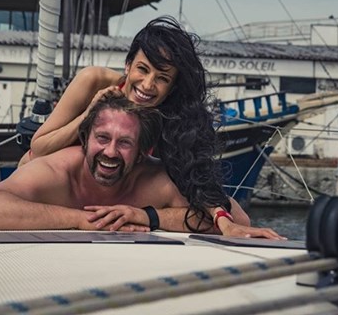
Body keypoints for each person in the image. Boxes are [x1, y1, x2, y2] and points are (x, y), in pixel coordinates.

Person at [18, 17, 238, 231]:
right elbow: (38, 148)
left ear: (172, 88)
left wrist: (221, 218)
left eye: (162, 78)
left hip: (111, 201)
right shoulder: (93, 80)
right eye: (143, 69)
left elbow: (194, 174)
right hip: (52, 186)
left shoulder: (170, 118)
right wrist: (90, 111)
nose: (148, 85)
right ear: (128, 65)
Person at [0, 97, 282, 239]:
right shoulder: (57, 171)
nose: (110, 152)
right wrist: (81, 221)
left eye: (125, 143)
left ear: (142, 152)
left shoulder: (154, 182)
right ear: (85, 140)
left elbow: (238, 221)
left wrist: (147, 216)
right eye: (102, 138)